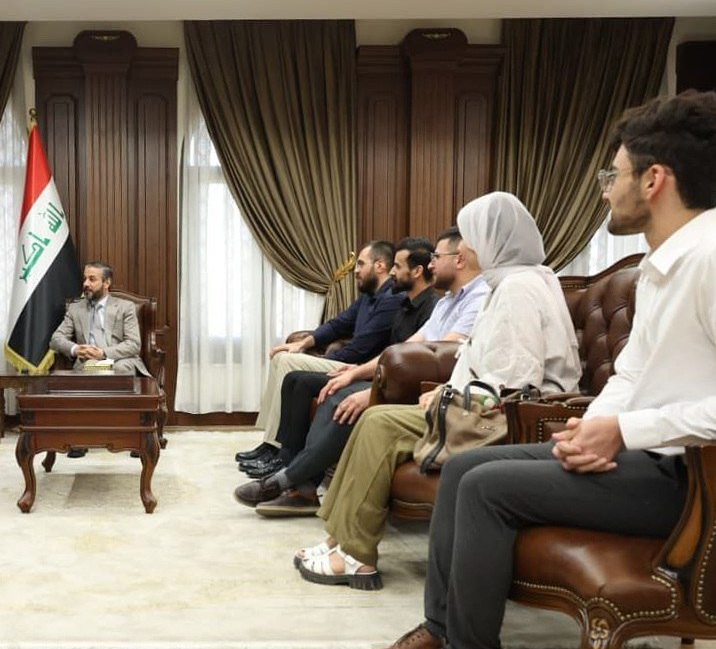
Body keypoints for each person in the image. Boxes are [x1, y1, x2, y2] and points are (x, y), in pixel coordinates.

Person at [360, 91, 716, 649]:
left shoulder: (709, 259)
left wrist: (625, 433)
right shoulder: (669, 263)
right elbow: (631, 375)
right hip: (646, 458)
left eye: (613, 175)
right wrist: (593, 427)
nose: (605, 191)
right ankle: (442, 632)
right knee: (466, 468)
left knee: (485, 487)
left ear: (654, 180)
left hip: (694, 482)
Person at [294, 191, 581, 589]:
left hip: (509, 419)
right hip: (482, 406)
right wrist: (448, 387)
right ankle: (339, 539)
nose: (464, 249)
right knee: (374, 418)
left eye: (470, 238)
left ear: (492, 241)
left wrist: (450, 395)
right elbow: (490, 364)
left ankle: (357, 555)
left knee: (379, 424)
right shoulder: (514, 282)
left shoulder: (519, 288)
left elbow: (515, 381)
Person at [237, 229, 489, 514]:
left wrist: (374, 389)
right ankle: (302, 486)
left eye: (436, 257)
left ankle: (288, 480)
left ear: (459, 259)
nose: (431, 264)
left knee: (345, 400)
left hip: (428, 390)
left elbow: (441, 359)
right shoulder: (446, 302)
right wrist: (355, 374)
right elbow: (403, 349)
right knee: (336, 390)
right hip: (402, 379)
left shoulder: (478, 299)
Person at [239, 237, 440, 482]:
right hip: (368, 369)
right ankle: (280, 453)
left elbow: (377, 351)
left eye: (396, 267)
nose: (392, 272)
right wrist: (305, 344)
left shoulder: (400, 301)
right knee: (295, 378)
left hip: (379, 375)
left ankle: (282, 457)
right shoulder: (394, 301)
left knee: (289, 365)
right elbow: (338, 325)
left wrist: (347, 367)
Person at [50, 261, 149, 376]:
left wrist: (103, 353)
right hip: (89, 362)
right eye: (85, 279)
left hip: (119, 360)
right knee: (91, 366)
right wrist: (76, 349)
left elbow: (133, 344)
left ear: (106, 283)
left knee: (120, 368)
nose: (86, 284)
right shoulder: (75, 309)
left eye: (92, 279)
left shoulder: (125, 307)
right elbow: (56, 339)